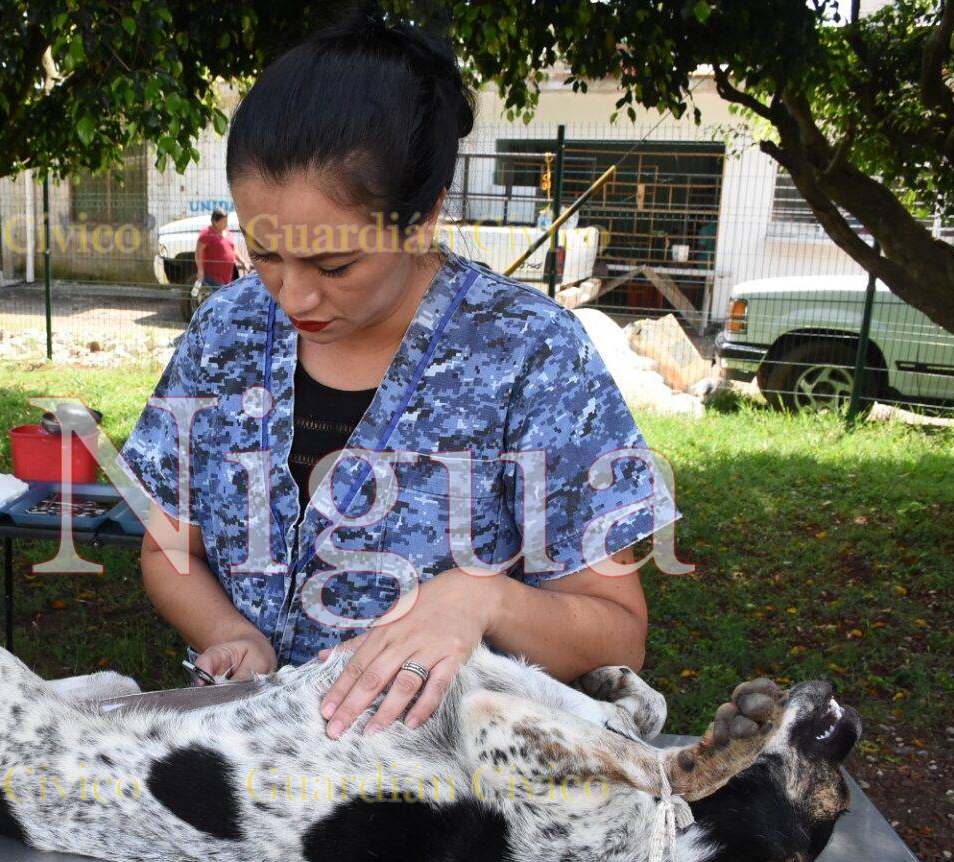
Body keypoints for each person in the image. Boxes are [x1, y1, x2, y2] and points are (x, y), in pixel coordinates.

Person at [117, 7, 680, 741]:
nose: (293, 296)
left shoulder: (528, 353)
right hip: (243, 774)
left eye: (334, 264)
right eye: (265, 253)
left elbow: (615, 634)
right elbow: (171, 547)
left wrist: (480, 600)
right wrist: (230, 632)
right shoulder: (226, 332)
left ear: (426, 216)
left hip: (445, 807)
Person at [193, 208, 248, 291]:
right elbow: (198, 251)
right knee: (220, 298)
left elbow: (233, 249)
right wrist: (200, 270)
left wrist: (243, 262)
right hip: (213, 277)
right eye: (223, 221)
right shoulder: (207, 234)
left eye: (226, 221)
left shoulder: (227, 231)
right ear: (215, 222)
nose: (226, 224)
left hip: (227, 277)